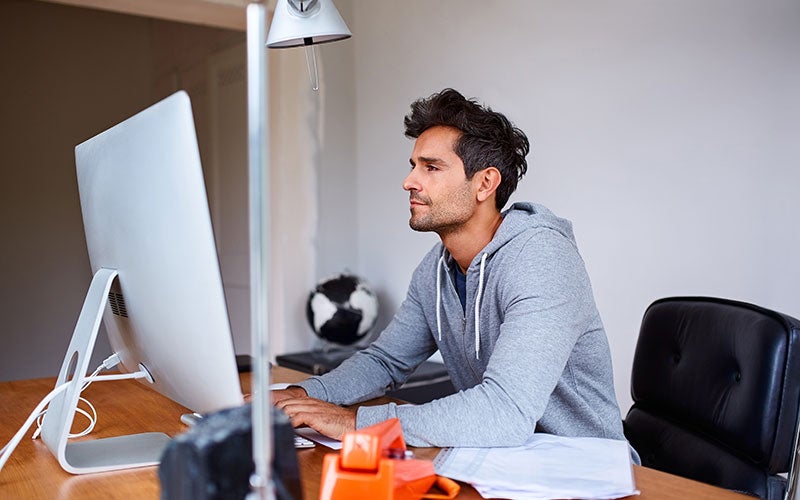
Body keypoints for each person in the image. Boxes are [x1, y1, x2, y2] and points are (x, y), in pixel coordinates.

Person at [274, 88, 628, 448]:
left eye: (431, 167)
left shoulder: (541, 257)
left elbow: (504, 412)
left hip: (585, 470)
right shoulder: (436, 269)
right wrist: (301, 395)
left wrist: (355, 423)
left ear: (485, 183)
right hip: (500, 464)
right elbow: (385, 361)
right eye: (413, 166)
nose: (409, 181)